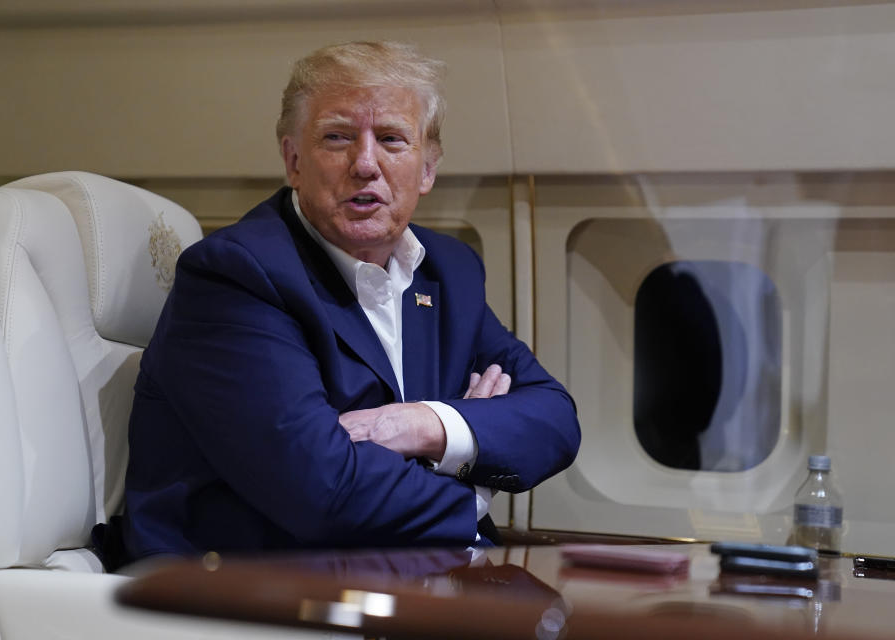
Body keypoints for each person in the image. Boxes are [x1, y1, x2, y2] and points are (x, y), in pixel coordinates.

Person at [110, 41, 580, 566]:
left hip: (414, 574)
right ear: (293, 160)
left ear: (427, 169)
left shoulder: (448, 270)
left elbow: (554, 419)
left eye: (392, 140)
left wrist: (426, 425)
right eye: (336, 138)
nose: (364, 164)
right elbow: (321, 490)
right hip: (254, 592)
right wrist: (473, 491)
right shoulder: (236, 275)